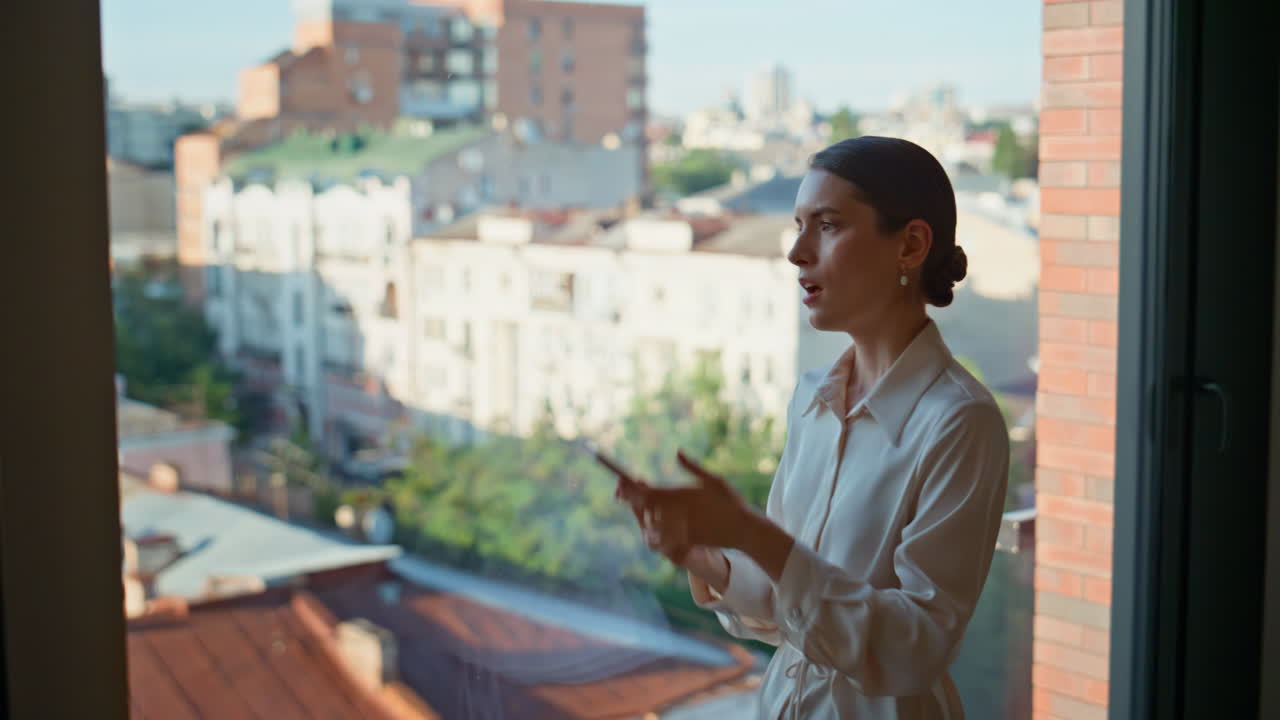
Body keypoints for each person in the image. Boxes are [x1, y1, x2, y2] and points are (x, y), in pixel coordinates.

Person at [616, 136, 1010, 719]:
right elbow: (788, 604)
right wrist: (701, 552)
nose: (798, 253)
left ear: (911, 245)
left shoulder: (959, 422)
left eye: (827, 225)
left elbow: (916, 648)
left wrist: (753, 534)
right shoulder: (812, 399)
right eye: (799, 225)